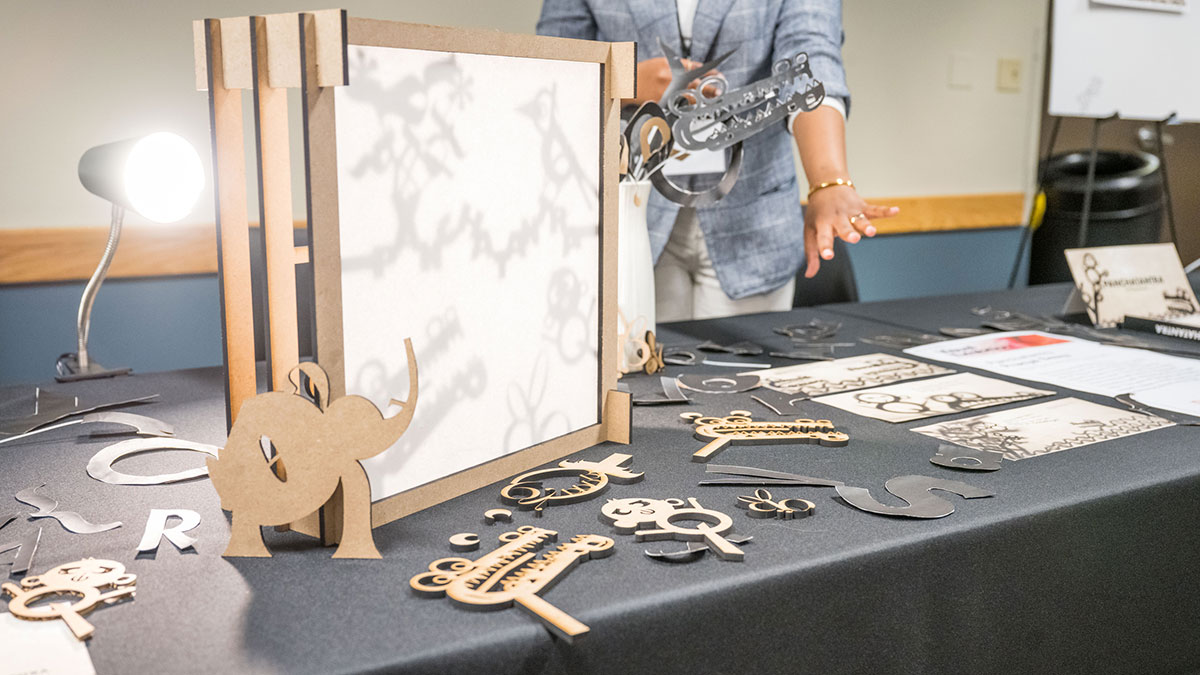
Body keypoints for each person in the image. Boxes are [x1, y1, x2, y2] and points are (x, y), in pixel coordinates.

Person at [537, 0, 899, 321]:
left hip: (753, 220)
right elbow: (551, 64)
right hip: (633, 214)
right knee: (640, 381)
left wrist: (829, 178)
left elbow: (812, 60)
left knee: (745, 382)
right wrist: (622, 78)